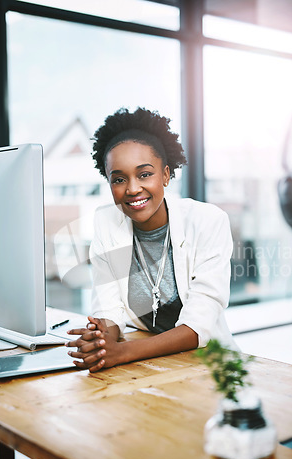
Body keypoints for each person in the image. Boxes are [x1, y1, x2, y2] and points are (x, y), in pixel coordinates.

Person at [66, 107, 236, 372]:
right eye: (119, 179)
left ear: (166, 175)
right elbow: (110, 310)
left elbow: (197, 327)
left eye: (145, 174)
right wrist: (102, 340)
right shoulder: (105, 222)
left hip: (210, 366)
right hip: (150, 366)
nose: (133, 189)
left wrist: (121, 352)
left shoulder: (208, 221)